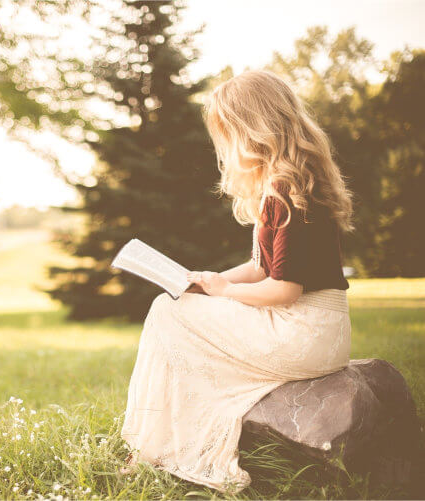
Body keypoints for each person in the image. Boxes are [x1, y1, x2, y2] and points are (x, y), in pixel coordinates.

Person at [117, 69, 355, 493]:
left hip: (304, 330)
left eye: (228, 132)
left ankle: (155, 447)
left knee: (165, 313)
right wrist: (208, 280)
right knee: (175, 307)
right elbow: (262, 268)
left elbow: (284, 290)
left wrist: (224, 293)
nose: (224, 146)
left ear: (252, 129)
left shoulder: (285, 189)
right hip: (316, 329)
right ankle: (158, 443)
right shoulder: (290, 182)